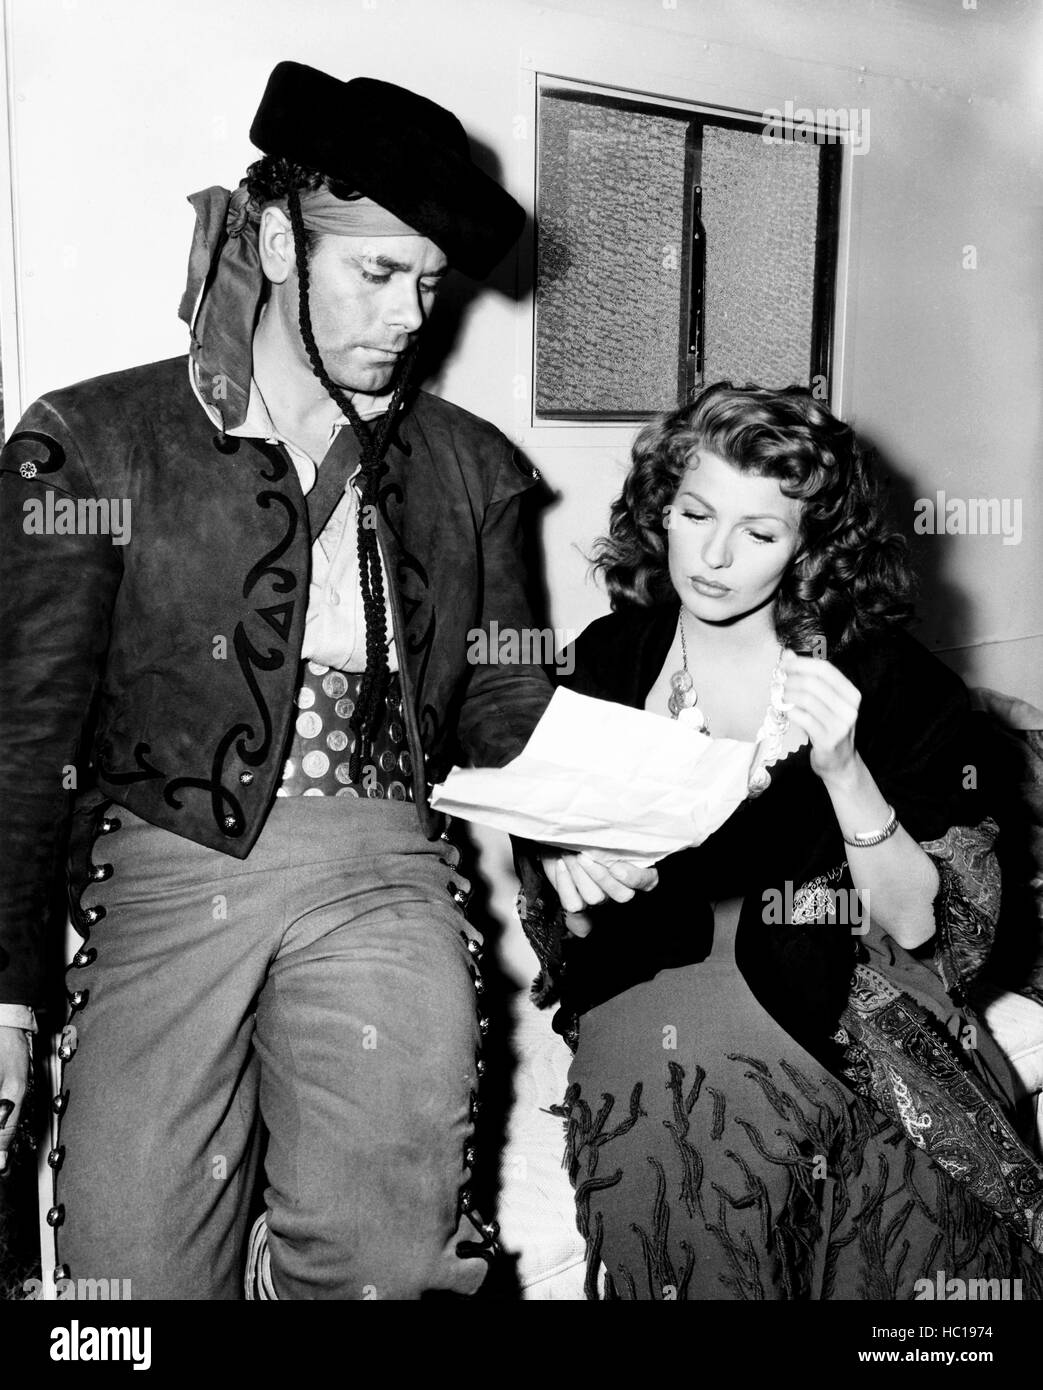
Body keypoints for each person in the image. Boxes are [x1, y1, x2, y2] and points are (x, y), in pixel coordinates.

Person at [0, 61, 650, 1301]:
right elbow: (24, 741)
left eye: (428, 282)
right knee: (126, 1275)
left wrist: (575, 826)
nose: (409, 315)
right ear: (282, 244)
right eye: (377, 272)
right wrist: (6, 994)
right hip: (162, 862)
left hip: (385, 856)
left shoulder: (471, 470)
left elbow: (502, 710)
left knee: (386, 1260)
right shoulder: (95, 439)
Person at [521, 382, 1043, 1300]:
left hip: (844, 974)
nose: (713, 558)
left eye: (758, 534)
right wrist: (573, 868)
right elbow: (549, 844)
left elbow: (925, 927)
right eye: (693, 515)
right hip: (653, 975)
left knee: (912, 1207)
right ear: (662, 511)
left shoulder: (887, 680)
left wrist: (844, 769)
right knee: (686, 1130)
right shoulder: (609, 656)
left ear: (808, 549)